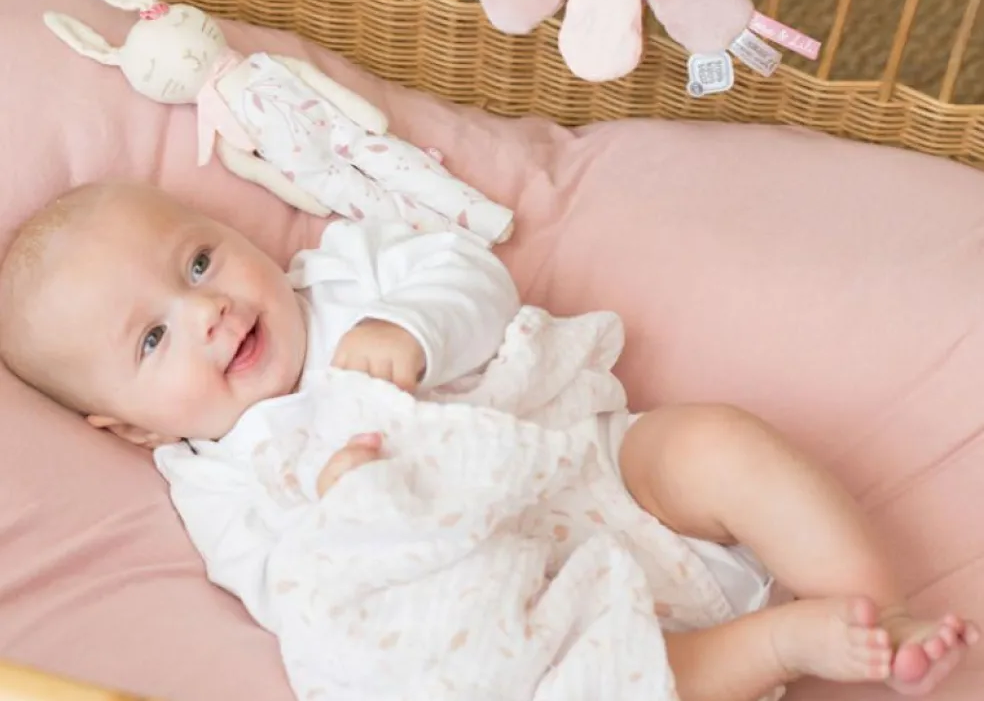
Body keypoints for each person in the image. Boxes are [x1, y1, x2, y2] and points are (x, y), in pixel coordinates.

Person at [0, 180, 976, 701]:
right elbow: (297, 595)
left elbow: (473, 277)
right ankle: (773, 646)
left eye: (199, 262)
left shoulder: (342, 275)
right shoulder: (215, 479)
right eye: (153, 339)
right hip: (515, 600)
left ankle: (873, 607)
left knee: (717, 444)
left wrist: (414, 328)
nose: (207, 311)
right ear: (131, 427)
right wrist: (354, 512)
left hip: (597, 465)